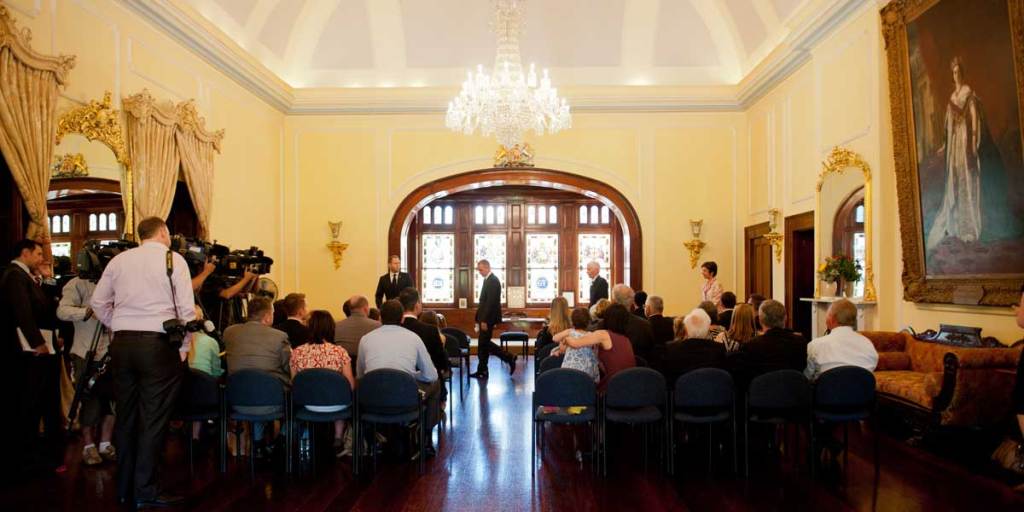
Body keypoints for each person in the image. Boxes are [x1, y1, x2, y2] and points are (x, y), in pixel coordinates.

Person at [90, 218, 195, 508]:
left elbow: (98, 303)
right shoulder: (173, 260)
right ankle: (145, 490)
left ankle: (124, 488)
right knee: (153, 419)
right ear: (163, 232)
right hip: (158, 344)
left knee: (126, 416)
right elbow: (186, 311)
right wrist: (184, 347)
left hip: (122, 344)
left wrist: (119, 325)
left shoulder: (119, 261)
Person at [2, 239, 62, 477]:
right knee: (29, 403)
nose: (41, 258)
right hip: (26, 353)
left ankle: (37, 455)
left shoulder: (27, 276)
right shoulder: (15, 276)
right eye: (38, 254)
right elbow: (23, 313)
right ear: (24, 253)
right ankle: (25, 460)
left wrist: (47, 278)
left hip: (37, 348)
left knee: (39, 401)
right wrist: (38, 343)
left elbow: (45, 309)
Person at [357, 300, 440, 450]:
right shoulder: (413, 338)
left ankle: (373, 437)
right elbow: (431, 375)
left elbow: (361, 375)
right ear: (402, 318)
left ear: (380, 318)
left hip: (373, 401)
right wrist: (412, 375)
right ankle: (425, 437)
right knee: (436, 384)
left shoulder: (365, 339)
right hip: (406, 401)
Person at [58, 273, 115, 466]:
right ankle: (88, 446)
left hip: (112, 351)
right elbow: (62, 311)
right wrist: (88, 311)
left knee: (111, 401)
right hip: (86, 351)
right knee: (89, 400)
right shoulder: (77, 284)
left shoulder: (116, 283)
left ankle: (105, 443)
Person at [223, 297, 291, 454]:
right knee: (294, 398)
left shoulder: (229, 332)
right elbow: (288, 367)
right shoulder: (279, 336)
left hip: (237, 401)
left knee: (256, 388)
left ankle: (258, 443)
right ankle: (281, 440)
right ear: (267, 316)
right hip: (272, 401)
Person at [290, 310, 354, 457]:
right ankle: (338, 437)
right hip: (337, 404)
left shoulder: (297, 352)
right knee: (340, 395)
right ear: (331, 328)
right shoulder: (340, 352)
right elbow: (350, 386)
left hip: (308, 404)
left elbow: (294, 384)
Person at [554, 304, 635, 392]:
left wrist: (565, 339)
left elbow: (575, 344)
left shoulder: (603, 334)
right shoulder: (627, 340)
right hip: (630, 386)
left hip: (612, 388)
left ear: (607, 318)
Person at [728, 299, 807, 390]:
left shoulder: (752, 346)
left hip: (762, 396)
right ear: (785, 318)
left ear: (760, 320)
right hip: (794, 395)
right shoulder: (800, 342)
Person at [804, 299, 878, 380]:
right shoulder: (868, 345)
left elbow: (807, 376)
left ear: (831, 319)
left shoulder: (815, 345)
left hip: (827, 391)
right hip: (861, 391)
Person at [651, 309, 726, 388]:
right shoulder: (719, 349)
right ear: (708, 330)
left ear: (686, 330)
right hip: (712, 393)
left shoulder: (671, 349)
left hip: (680, 395)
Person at [471, 259, 516, 378]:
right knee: (483, 345)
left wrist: (484, 320)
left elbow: (490, 303)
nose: (479, 272)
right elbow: (483, 302)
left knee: (484, 343)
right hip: (484, 319)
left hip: (488, 319)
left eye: (480, 269)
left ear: (487, 267)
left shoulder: (493, 281)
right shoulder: (487, 280)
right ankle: (482, 370)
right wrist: (478, 318)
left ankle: (508, 357)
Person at [398, 287, 450, 374]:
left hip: (399, 378)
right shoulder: (431, 330)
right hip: (426, 382)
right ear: (417, 305)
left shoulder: (394, 329)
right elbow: (440, 362)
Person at [553, 307, 600, 382]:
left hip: (569, 371)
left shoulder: (570, 332)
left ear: (572, 321)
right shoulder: (591, 335)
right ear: (588, 322)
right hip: (587, 373)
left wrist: (564, 339)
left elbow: (555, 338)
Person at [611, 284, 654, 359]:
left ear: (613, 300)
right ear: (632, 301)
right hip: (639, 367)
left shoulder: (603, 325)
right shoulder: (644, 325)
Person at [334, 295, 380, 360]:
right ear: (366, 309)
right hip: (368, 366)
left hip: (343, 367)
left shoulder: (336, 326)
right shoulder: (377, 326)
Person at [187, 305, 223, 379]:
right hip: (205, 385)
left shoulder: (175, 342)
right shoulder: (210, 341)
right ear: (202, 320)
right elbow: (216, 373)